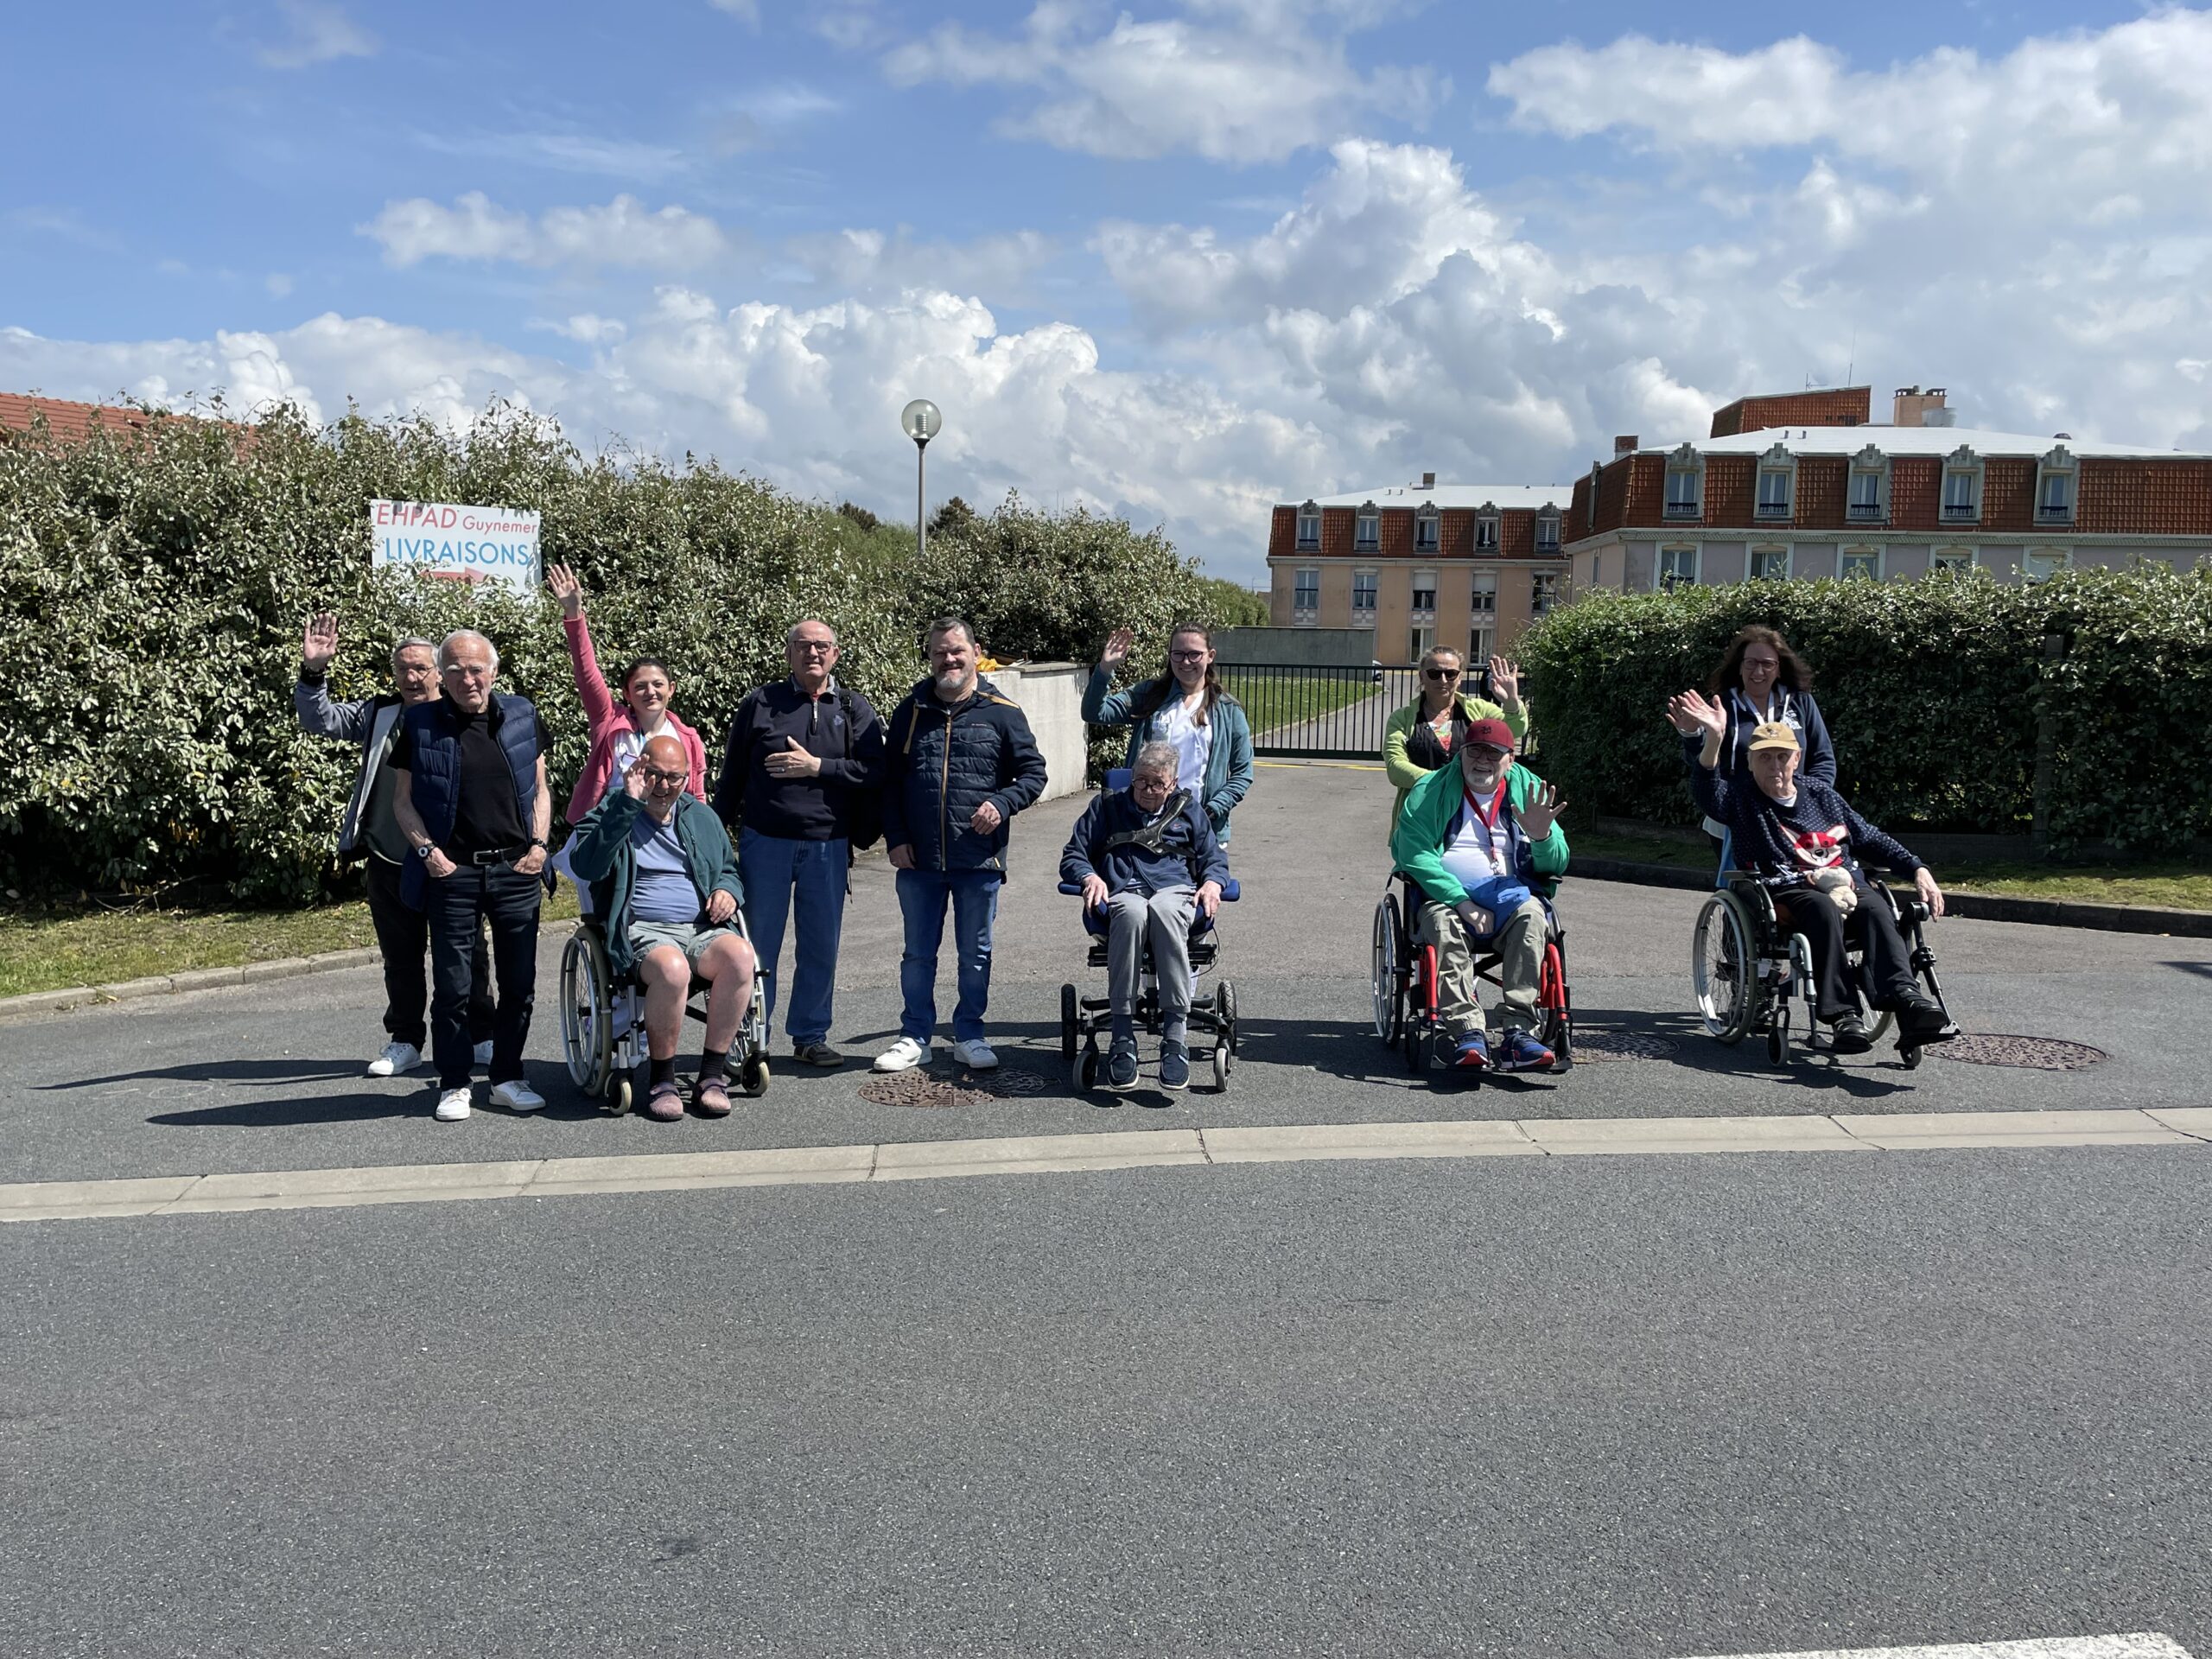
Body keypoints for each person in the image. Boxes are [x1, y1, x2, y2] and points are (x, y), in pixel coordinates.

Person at [1674, 691, 1952, 1053]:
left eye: (1782, 756)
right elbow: (1706, 791)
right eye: (1765, 757)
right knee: (1821, 908)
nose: (1775, 765)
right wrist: (1713, 739)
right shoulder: (1742, 798)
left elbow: (1869, 837)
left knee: (1877, 907)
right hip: (1785, 888)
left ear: (1797, 758)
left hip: (1844, 882)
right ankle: (1843, 1015)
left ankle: (1907, 999)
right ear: (1750, 761)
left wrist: (1917, 868)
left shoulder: (1822, 794)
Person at [294, 613, 493, 1077]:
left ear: (440, 672)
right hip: (389, 857)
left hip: (452, 860)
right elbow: (318, 719)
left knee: (468, 955)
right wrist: (314, 670)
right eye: (403, 669)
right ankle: (405, 1040)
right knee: (400, 958)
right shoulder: (380, 715)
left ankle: (480, 1035)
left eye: (421, 668)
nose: (411, 677)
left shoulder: (464, 715)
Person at [388, 629, 552, 1122]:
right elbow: (403, 801)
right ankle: (455, 1083)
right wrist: (428, 852)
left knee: (519, 985)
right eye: (455, 670)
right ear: (443, 675)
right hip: (452, 874)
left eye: (476, 669)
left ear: (493, 672)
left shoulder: (521, 715)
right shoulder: (420, 723)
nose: (467, 679)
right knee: (454, 988)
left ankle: (506, 1078)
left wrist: (540, 846)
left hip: (516, 869)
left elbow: (541, 788)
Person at [874, 616, 1050, 1074]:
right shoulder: (911, 710)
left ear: (976, 653)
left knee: (975, 956)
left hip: (979, 858)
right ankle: (915, 1037)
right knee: (917, 955)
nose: (948, 659)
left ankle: (970, 1034)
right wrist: (896, 838)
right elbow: (889, 782)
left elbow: (1033, 774)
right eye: (939, 652)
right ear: (930, 657)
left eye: (956, 651)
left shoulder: (1002, 711)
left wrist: (1002, 803)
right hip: (919, 859)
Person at [713, 619, 884, 1069]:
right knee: (755, 948)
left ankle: (810, 1036)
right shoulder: (760, 703)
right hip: (764, 844)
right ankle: (749, 1038)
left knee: (820, 947)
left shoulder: (852, 708)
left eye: (822, 646)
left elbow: (876, 772)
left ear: (835, 654)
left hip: (828, 845)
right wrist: (711, 844)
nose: (813, 653)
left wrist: (818, 767)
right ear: (789, 653)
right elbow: (733, 777)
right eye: (803, 645)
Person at [568, 734, 758, 1120]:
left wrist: (728, 890)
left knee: (741, 956)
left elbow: (729, 870)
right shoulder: (614, 807)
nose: (664, 785)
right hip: (643, 930)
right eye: (654, 774)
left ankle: (712, 1076)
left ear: (687, 778)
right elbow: (586, 865)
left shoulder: (700, 816)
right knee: (672, 969)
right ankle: (662, 1081)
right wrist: (628, 804)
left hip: (700, 928)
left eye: (674, 777)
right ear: (639, 770)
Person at [1389, 716, 1569, 1071]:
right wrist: (1462, 902)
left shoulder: (1529, 789)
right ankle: (1467, 1031)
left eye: (1493, 753)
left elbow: (1558, 861)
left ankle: (1519, 1032)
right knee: (1443, 926)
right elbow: (1412, 852)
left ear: (1510, 759)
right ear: (1461, 754)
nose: (1482, 760)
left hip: (1511, 894)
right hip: (1446, 897)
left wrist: (1542, 838)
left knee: (1533, 919)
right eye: (1474, 751)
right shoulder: (1430, 790)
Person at [1059, 741, 1230, 1091]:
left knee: (1164, 910)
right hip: (1123, 891)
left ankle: (1175, 1038)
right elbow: (1073, 854)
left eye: (1157, 783)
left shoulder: (1189, 809)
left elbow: (1214, 858)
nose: (1147, 790)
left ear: (1173, 782)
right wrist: (1089, 876)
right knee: (1132, 912)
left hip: (1175, 891)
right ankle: (1122, 1037)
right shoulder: (1106, 806)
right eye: (1140, 781)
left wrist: (1213, 882)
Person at [544, 563, 709, 822]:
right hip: (610, 828)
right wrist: (574, 614)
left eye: (658, 684)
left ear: (671, 690)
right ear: (627, 694)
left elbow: (697, 797)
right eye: (640, 686)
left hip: (663, 833)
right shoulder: (610, 722)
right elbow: (587, 675)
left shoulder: (688, 739)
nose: (650, 692)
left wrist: (703, 834)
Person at [1665, 625, 1836, 872]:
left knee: (1802, 884)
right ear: (1740, 667)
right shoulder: (1722, 705)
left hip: (1796, 817)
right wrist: (1692, 735)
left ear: (1779, 668)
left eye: (1767, 664)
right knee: (1749, 887)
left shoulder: (1801, 702)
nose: (1758, 671)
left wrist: (1811, 801)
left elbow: (1823, 758)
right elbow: (1702, 767)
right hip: (1737, 818)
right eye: (1751, 663)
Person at [1082, 624, 1255, 841]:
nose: (1186, 662)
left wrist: (1213, 809)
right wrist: (1105, 669)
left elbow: (1243, 772)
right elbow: (1094, 712)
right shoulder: (1149, 695)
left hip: (1202, 827)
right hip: (1144, 824)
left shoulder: (1228, 710)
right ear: (1170, 655)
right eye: (1178, 654)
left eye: (1195, 654)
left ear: (1210, 656)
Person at [1382, 645, 1530, 830]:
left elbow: (1515, 730)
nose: (1443, 680)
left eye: (1451, 674)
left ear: (1460, 678)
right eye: (1434, 674)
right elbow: (1395, 767)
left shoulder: (1480, 711)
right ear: (1422, 677)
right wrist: (1448, 782)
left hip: (1473, 814)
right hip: (1420, 813)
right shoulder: (1402, 718)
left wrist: (1511, 702)